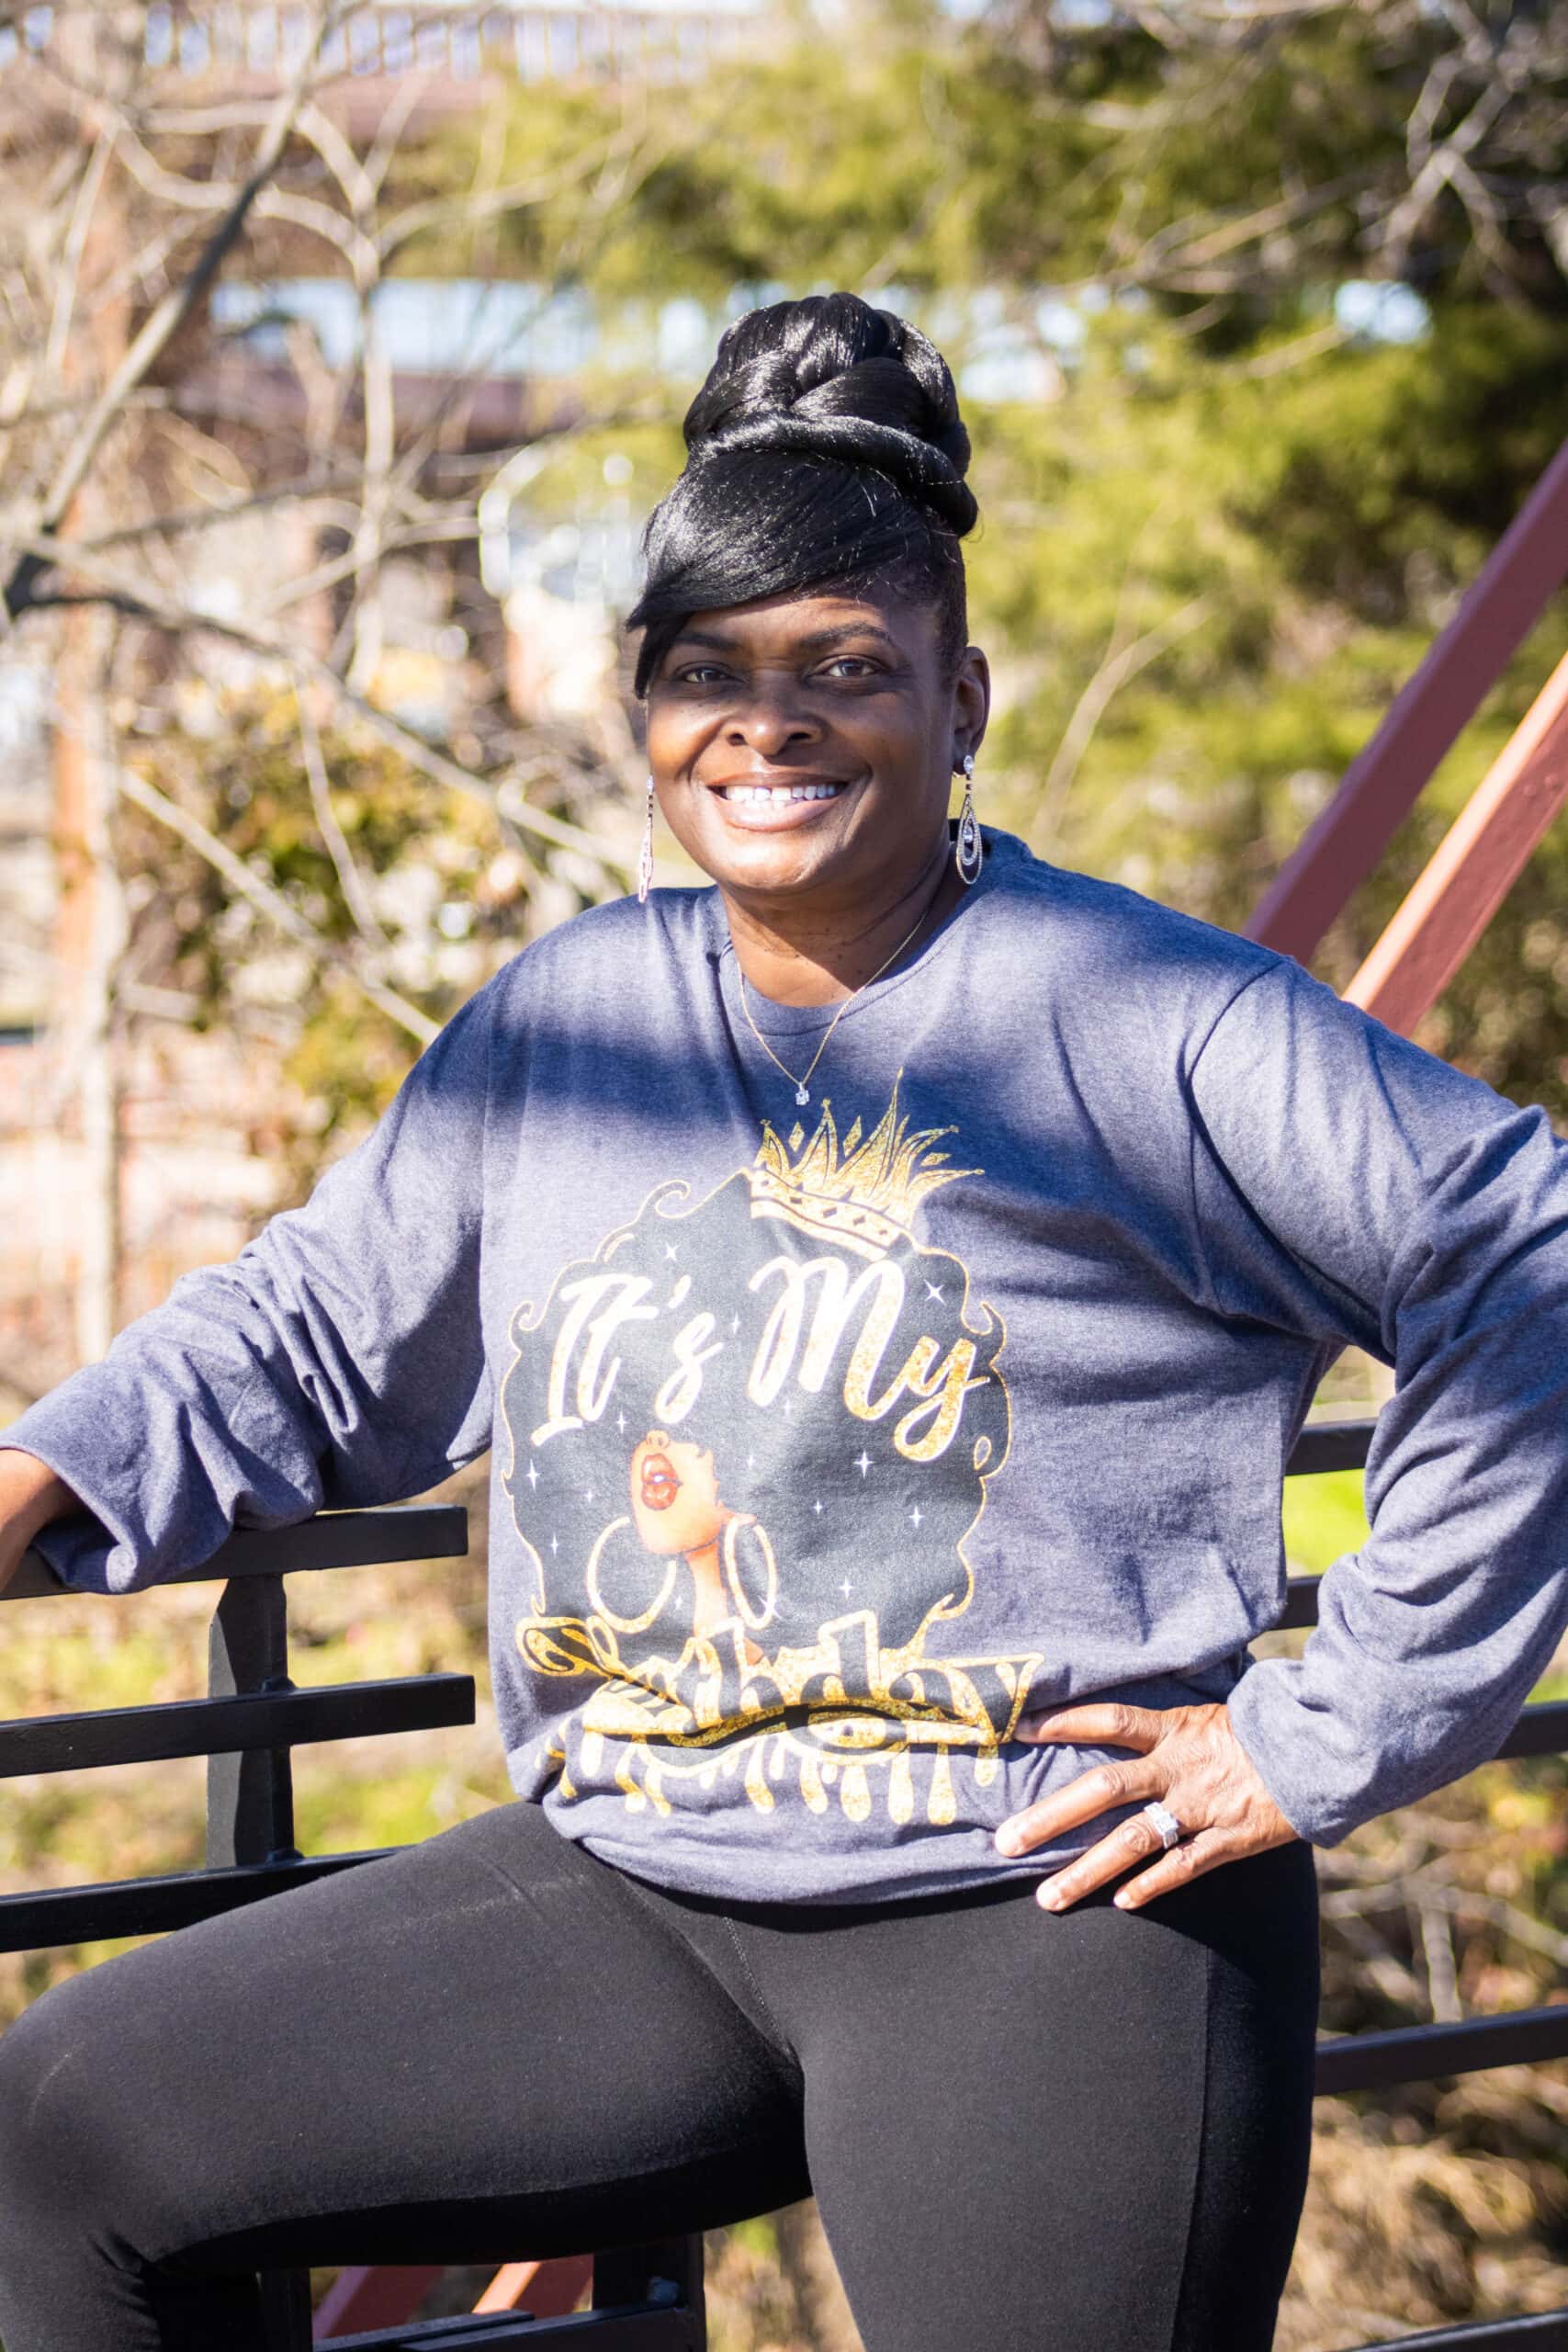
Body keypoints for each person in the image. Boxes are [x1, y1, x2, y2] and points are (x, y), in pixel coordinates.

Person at [0, 292, 1565, 2352]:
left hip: (1040, 1907)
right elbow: (316, 1324)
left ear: (960, 694)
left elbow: (1520, 1251)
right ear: (641, 710)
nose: (769, 721)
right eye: (705, 672)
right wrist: (50, 1466)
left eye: (845, 665)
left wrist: (1320, 1729)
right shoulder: (570, 1020)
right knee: (66, 2131)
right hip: (646, 1882)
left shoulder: (1139, 1016)